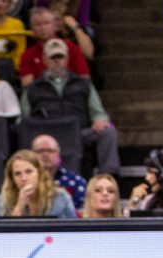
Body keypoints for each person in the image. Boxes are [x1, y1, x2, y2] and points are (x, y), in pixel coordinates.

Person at [21, 38, 120, 176]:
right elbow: (24, 119)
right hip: (48, 134)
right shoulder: (32, 89)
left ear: (67, 59)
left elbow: (98, 112)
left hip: (79, 132)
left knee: (108, 131)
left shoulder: (83, 84)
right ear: (44, 60)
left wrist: (100, 120)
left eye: (60, 57)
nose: (57, 61)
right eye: (53, 57)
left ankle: (108, 176)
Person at [19, 7, 90, 87]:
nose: (43, 28)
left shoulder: (71, 48)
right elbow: (27, 85)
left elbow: (84, 77)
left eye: (46, 23)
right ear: (32, 28)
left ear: (55, 26)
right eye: (38, 24)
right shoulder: (28, 55)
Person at [0, 149, 76, 217]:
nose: (24, 178)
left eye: (29, 171)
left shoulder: (60, 197)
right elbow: (3, 233)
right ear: (12, 178)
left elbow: (73, 231)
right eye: (17, 174)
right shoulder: (4, 200)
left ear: (39, 173)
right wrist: (19, 206)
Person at [30, 134, 86, 209]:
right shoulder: (23, 180)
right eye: (40, 151)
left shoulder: (76, 181)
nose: (45, 154)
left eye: (50, 151)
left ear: (58, 155)